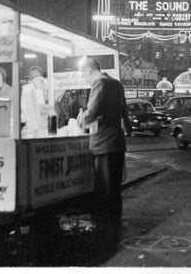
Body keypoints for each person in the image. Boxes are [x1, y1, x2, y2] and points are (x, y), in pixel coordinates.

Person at [77, 57, 131, 243]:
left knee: (105, 188)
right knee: (114, 188)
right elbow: (124, 112)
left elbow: (91, 113)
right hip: (117, 142)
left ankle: (105, 229)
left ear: (88, 70)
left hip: (103, 144)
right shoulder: (116, 84)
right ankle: (114, 223)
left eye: (83, 75)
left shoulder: (99, 84)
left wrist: (81, 119)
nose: (84, 79)